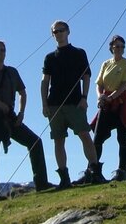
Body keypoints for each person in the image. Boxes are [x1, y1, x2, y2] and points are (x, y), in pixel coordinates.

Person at [0, 40, 53, 202]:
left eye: (2, 50)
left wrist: (21, 113)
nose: (0, 53)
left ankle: (42, 183)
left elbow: (23, 92)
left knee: (35, 142)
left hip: (10, 117)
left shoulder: (12, 72)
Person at [41, 20, 105, 188]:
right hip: (54, 105)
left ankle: (95, 171)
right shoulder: (49, 57)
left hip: (75, 103)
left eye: (61, 30)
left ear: (68, 32)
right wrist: (44, 104)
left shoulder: (79, 53)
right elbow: (45, 81)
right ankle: (64, 178)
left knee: (85, 135)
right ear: (52, 35)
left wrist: (84, 97)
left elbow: (86, 76)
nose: (58, 34)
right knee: (58, 140)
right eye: (55, 32)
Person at [91, 35, 126, 181]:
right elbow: (99, 83)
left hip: (122, 102)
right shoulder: (106, 64)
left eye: (122, 46)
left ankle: (122, 169)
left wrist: (112, 97)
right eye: (117, 46)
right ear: (111, 48)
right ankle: (93, 169)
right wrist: (100, 97)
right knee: (98, 137)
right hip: (106, 104)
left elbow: (125, 84)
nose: (120, 49)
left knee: (122, 137)